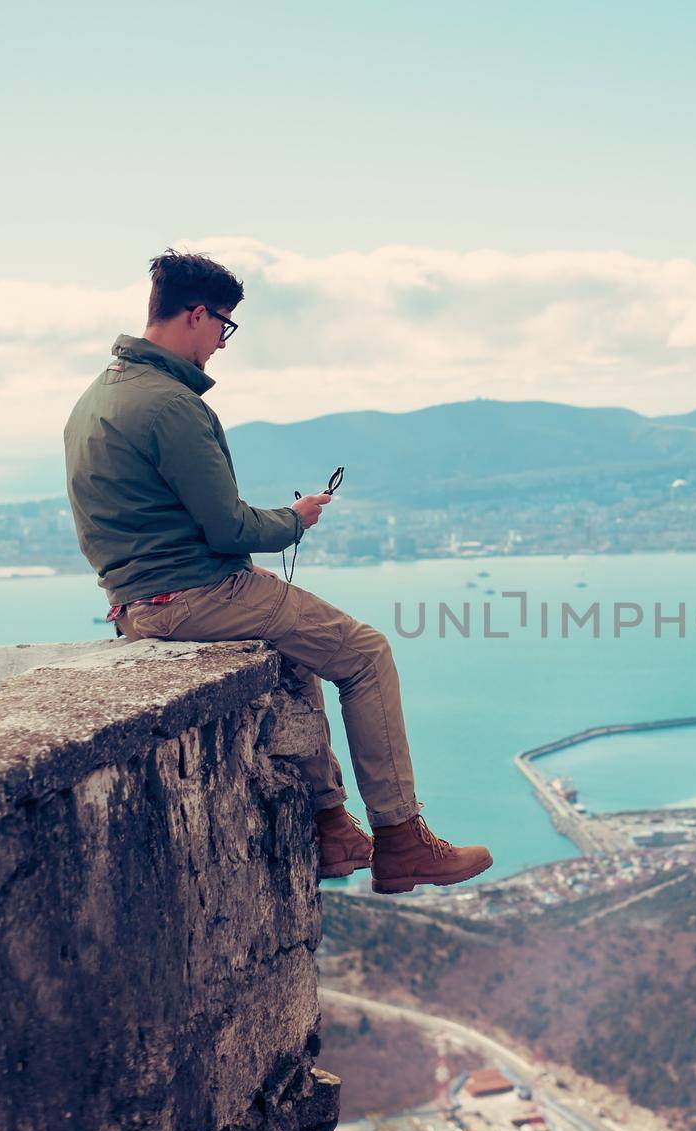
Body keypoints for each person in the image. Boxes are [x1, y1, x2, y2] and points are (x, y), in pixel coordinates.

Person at [63, 249, 491, 893]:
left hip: (137, 604)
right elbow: (231, 529)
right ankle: (402, 840)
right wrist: (297, 517)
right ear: (197, 315)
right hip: (198, 594)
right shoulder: (171, 405)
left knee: (300, 652)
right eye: (223, 328)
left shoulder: (97, 397)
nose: (221, 344)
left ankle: (334, 828)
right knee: (366, 653)